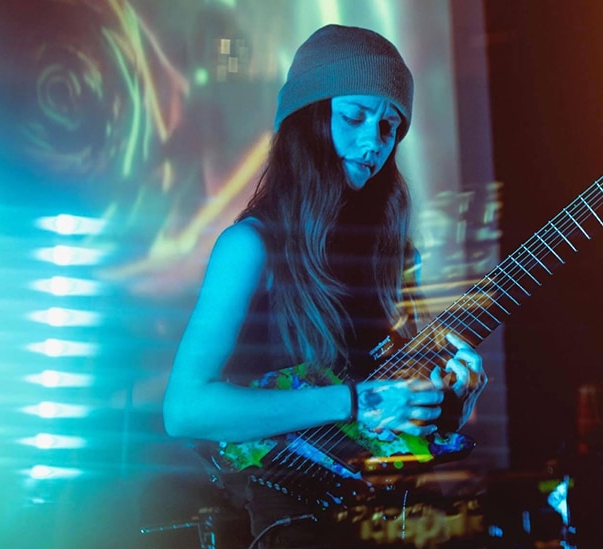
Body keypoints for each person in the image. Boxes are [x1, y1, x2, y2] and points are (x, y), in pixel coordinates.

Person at [163, 24, 487, 548]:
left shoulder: (397, 257)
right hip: (275, 510)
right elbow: (185, 410)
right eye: (354, 116)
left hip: (378, 513)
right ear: (308, 120)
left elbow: (394, 412)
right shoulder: (249, 246)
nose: (373, 143)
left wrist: (450, 404)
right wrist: (353, 401)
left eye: (389, 127)